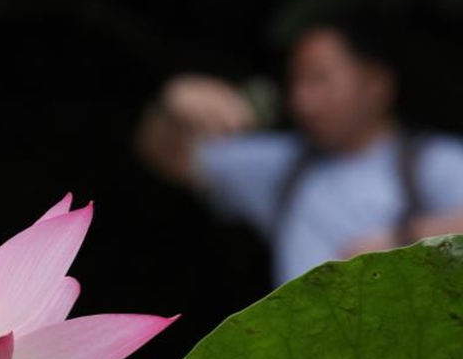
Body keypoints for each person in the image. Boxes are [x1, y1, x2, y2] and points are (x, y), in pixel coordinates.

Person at [135, 14, 463, 285]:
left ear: (377, 84)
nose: (303, 100)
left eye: (321, 80)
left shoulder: (432, 162)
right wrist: (173, 103)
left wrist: (402, 240)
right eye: (297, 82)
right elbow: (166, 156)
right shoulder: (282, 166)